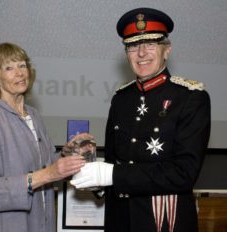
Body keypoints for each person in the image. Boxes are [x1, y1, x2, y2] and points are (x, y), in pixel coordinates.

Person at [70, 8, 211, 232]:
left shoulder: (191, 97)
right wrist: (95, 179)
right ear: (126, 54)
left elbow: (184, 173)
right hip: (120, 220)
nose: (141, 53)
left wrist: (111, 174)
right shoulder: (121, 99)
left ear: (167, 50)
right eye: (133, 45)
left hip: (164, 221)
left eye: (150, 45)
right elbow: (115, 163)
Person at [0, 42, 91, 232]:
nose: (19, 73)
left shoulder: (33, 115)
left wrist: (70, 154)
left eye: (22, 65)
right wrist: (49, 173)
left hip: (39, 223)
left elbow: (46, 166)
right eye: (9, 68)